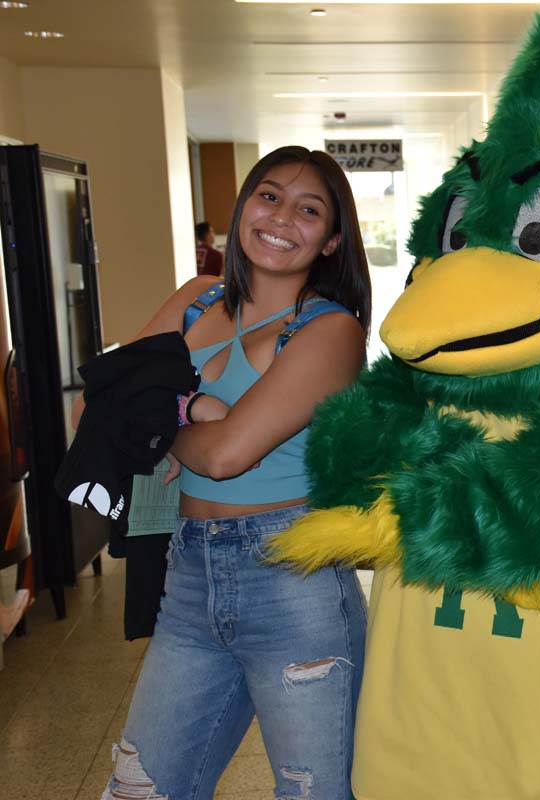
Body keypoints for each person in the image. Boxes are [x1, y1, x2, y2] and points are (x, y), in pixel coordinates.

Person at [96, 146, 372, 799]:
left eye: (309, 210)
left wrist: (173, 417)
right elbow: (108, 397)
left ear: (332, 239)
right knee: (141, 787)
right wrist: (197, 418)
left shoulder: (332, 331)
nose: (281, 218)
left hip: (294, 581)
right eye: (269, 195)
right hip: (189, 574)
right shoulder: (198, 300)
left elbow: (226, 457)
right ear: (243, 205)